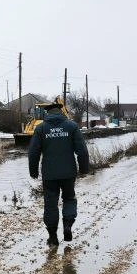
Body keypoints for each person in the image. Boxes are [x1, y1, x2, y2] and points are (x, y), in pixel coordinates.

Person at [28, 103, 90, 246]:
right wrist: (84, 168)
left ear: (47, 114)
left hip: (49, 174)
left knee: (50, 204)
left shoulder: (41, 128)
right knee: (69, 198)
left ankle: (53, 237)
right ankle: (67, 225)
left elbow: (33, 152)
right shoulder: (72, 126)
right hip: (68, 172)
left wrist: (33, 171)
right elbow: (82, 150)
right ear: (61, 112)